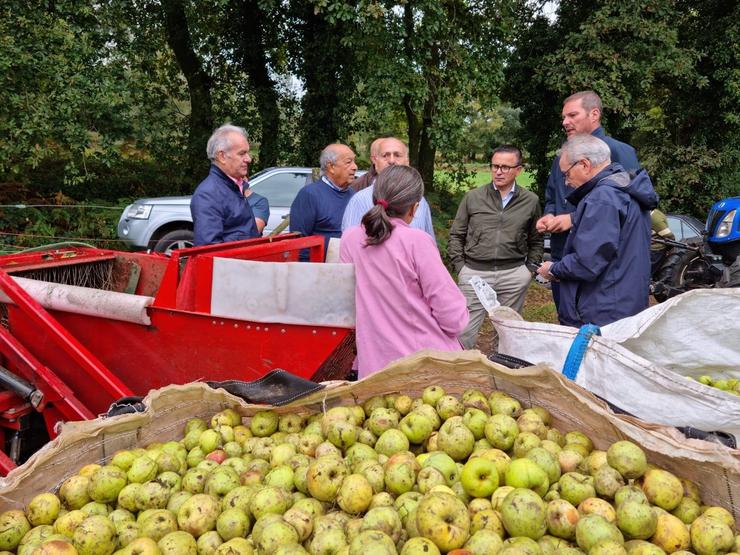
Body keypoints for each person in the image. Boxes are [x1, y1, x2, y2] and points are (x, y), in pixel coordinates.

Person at [340, 165, 468, 379]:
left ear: (375, 198)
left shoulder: (351, 239)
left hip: (374, 365)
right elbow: (452, 317)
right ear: (414, 208)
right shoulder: (417, 241)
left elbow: (347, 301)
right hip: (425, 363)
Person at [537, 135, 658, 327]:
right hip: (625, 302)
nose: (566, 182)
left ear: (584, 164)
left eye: (566, 174)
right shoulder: (625, 189)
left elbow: (587, 263)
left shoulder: (602, 199)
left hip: (601, 310)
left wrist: (553, 269)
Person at [537, 91, 641, 311]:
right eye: (564, 117)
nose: (565, 122)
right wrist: (550, 215)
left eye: (572, 115)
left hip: (600, 266)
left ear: (594, 114)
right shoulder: (564, 155)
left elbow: (628, 208)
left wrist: (573, 219)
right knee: (568, 318)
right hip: (562, 254)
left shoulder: (620, 151)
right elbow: (552, 195)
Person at [449, 145, 544, 349]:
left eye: (505, 167)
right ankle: (458, 372)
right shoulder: (473, 197)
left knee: (508, 332)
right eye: (495, 166)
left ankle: (501, 372)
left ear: (518, 170)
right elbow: (457, 234)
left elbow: (536, 239)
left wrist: (529, 270)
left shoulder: (530, 200)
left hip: (513, 274)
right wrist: (460, 267)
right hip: (474, 273)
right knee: (463, 331)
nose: (499, 171)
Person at [341, 138, 435, 239]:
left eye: (397, 155)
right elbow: (349, 246)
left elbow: (429, 243)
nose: (391, 161)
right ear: (375, 162)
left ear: (407, 161)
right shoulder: (359, 200)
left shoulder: (420, 201)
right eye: (385, 155)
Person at [191, 124, 259, 246]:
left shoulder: (235, 186)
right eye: (242, 153)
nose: (248, 159)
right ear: (222, 156)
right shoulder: (208, 194)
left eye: (247, 153)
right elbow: (208, 251)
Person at [289, 143, 357, 260]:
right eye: (348, 162)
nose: (355, 167)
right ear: (331, 167)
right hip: (320, 271)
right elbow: (299, 242)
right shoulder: (310, 195)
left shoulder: (354, 196)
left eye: (354, 161)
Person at [650, 208, 675, 273]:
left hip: (656, 250)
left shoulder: (655, 218)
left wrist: (670, 248)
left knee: (648, 273)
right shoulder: (652, 214)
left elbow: (669, 236)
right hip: (651, 249)